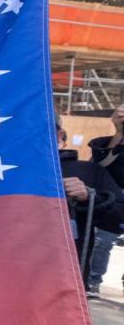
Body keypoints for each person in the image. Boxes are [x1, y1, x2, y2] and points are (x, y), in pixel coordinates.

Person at [59, 124, 124, 295]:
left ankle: (95, 279)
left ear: (59, 136)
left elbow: (119, 219)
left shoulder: (86, 171)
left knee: (104, 243)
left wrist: (90, 197)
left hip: (63, 287)